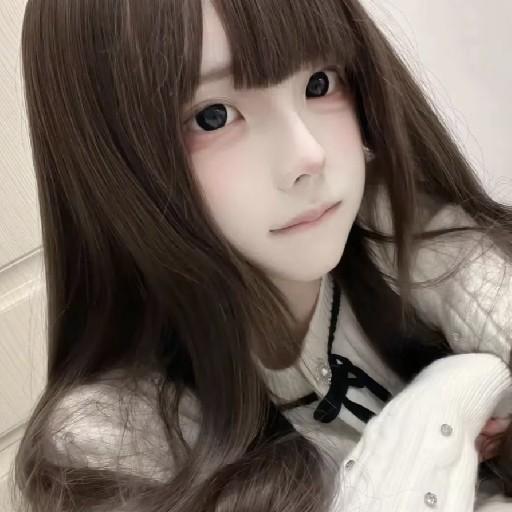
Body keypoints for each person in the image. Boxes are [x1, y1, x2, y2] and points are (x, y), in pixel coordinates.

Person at [10, 0, 512, 510]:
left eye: (320, 83)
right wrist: (448, 397)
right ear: (107, 160)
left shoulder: (396, 229)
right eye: (213, 116)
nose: (308, 155)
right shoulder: (113, 442)